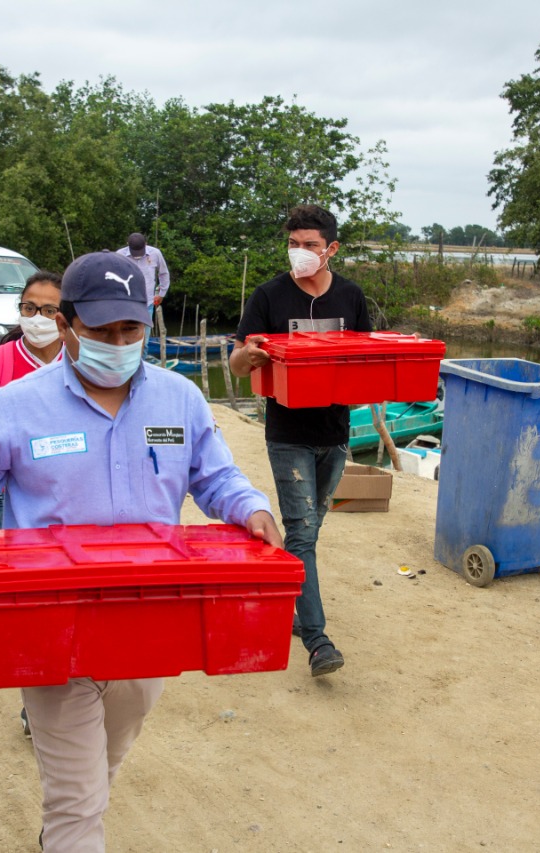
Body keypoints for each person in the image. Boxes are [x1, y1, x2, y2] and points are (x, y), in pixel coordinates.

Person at [0, 250, 283, 852]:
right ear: (66, 326)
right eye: (101, 331)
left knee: (105, 762)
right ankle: (70, 827)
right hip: (50, 620)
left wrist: (253, 508)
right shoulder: (17, 405)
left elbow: (215, 477)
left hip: (149, 623)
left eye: (130, 329)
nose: (119, 342)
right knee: (77, 800)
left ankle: (72, 819)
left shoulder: (180, 399)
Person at [229, 204, 372, 678]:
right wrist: (248, 357)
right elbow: (235, 361)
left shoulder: (351, 297)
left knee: (306, 532)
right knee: (304, 531)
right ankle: (317, 640)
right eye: (293, 244)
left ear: (331, 249)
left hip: (335, 433)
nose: (300, 253)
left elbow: (367, 360)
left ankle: (291, 601)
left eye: (309, 245)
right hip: (287, 433)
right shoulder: (269, 296)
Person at [0, 270, 65, 531]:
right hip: (10, 488)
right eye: (29, 308)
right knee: (18, 558)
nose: (37, 318)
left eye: (48, 311)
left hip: (68, 485)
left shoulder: (77, 361)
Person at [115, 232, 170, 314]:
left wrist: (161, 294)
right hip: (125, 304)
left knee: (145, 327)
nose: (137, 256)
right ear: (127, 244)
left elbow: (163, 273)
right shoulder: (119, 255)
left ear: (146, 244)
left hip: (147, 304)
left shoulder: (155, 253)